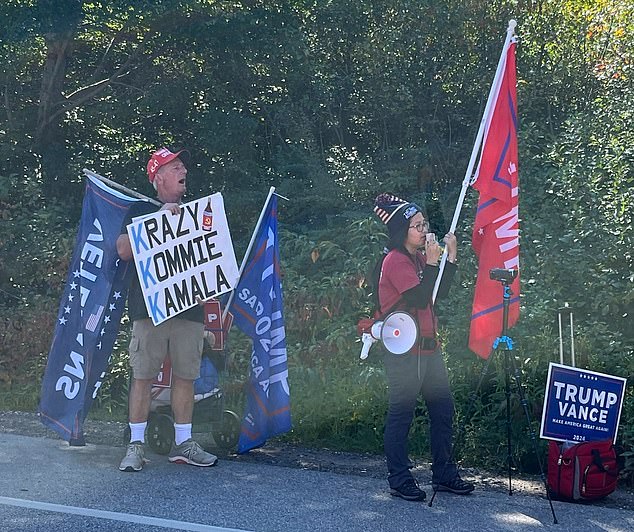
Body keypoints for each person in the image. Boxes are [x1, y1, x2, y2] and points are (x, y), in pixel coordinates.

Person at [117, 147, 218, 472]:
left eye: (182, 164)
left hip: (188, 311)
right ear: (158, 177)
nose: (183, 169)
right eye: (175, 166)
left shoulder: (198, 212)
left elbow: (211, 259)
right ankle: (135, 446)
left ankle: (183, 443)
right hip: (149, 311)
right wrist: (160, 216)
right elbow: (122, 250)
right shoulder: (139, 210)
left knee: (187, 377)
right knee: (143, 377)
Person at [372, 193, 474, 501]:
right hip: (404, 352)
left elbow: (437, 293)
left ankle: (443, 474)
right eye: (417, 226)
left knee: (443, 411)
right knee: (401, 413)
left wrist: (450, 258)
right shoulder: (395, 261)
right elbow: (417, 299)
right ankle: (399, 478)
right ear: (403, 231)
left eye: (423, 224)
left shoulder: (417, 259)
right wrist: (432, 262)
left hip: (429, 348)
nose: (423, 230)